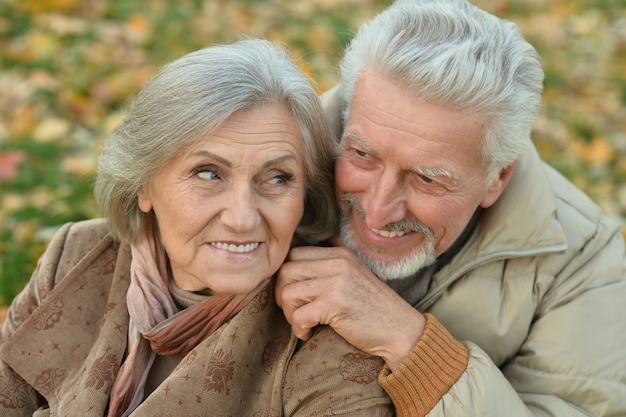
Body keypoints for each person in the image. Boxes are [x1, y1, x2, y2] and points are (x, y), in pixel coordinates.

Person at [0, 39, 394, 416]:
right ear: (144, 185)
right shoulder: (74, 256)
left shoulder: (326, 334)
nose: (242, 218)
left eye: (277, 178)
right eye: (208, 173)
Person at [275, 0, 626, 416]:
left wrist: (412, 347)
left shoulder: (584, 262)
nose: (377, 208)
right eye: (363, 154)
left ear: (497, 178)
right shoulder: (256, 168)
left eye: (427, 179)